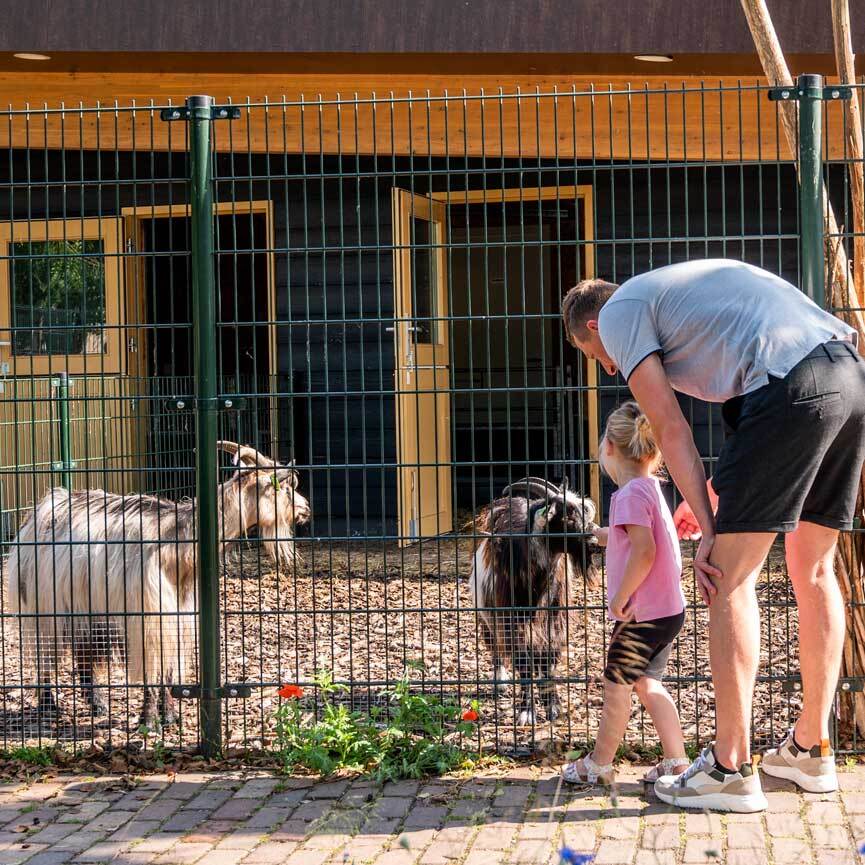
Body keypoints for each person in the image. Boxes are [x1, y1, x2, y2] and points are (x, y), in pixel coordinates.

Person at [561, 258, 865, 813]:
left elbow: (671, 429)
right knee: (815, 570)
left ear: (595, 327)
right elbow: (755, 422)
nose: (608, 369)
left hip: (791, 385)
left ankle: (729, 768)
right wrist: (705, 512)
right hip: (846, 375)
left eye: (593, 355)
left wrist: (708, 530)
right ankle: (811, 749)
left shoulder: (623, 311)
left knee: (725, 578)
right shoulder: (683, 306)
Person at [561, 401, 689, 787]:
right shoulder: (650, 489)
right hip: (667, 611)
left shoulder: (629, 495)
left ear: (610, 449)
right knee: (648, 683)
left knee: (616, 686)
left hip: (640, 614)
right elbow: (633, 539)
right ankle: (678, 761)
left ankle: (599, 763)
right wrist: (603, 535)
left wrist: (620, 595)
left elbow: (645, 551)